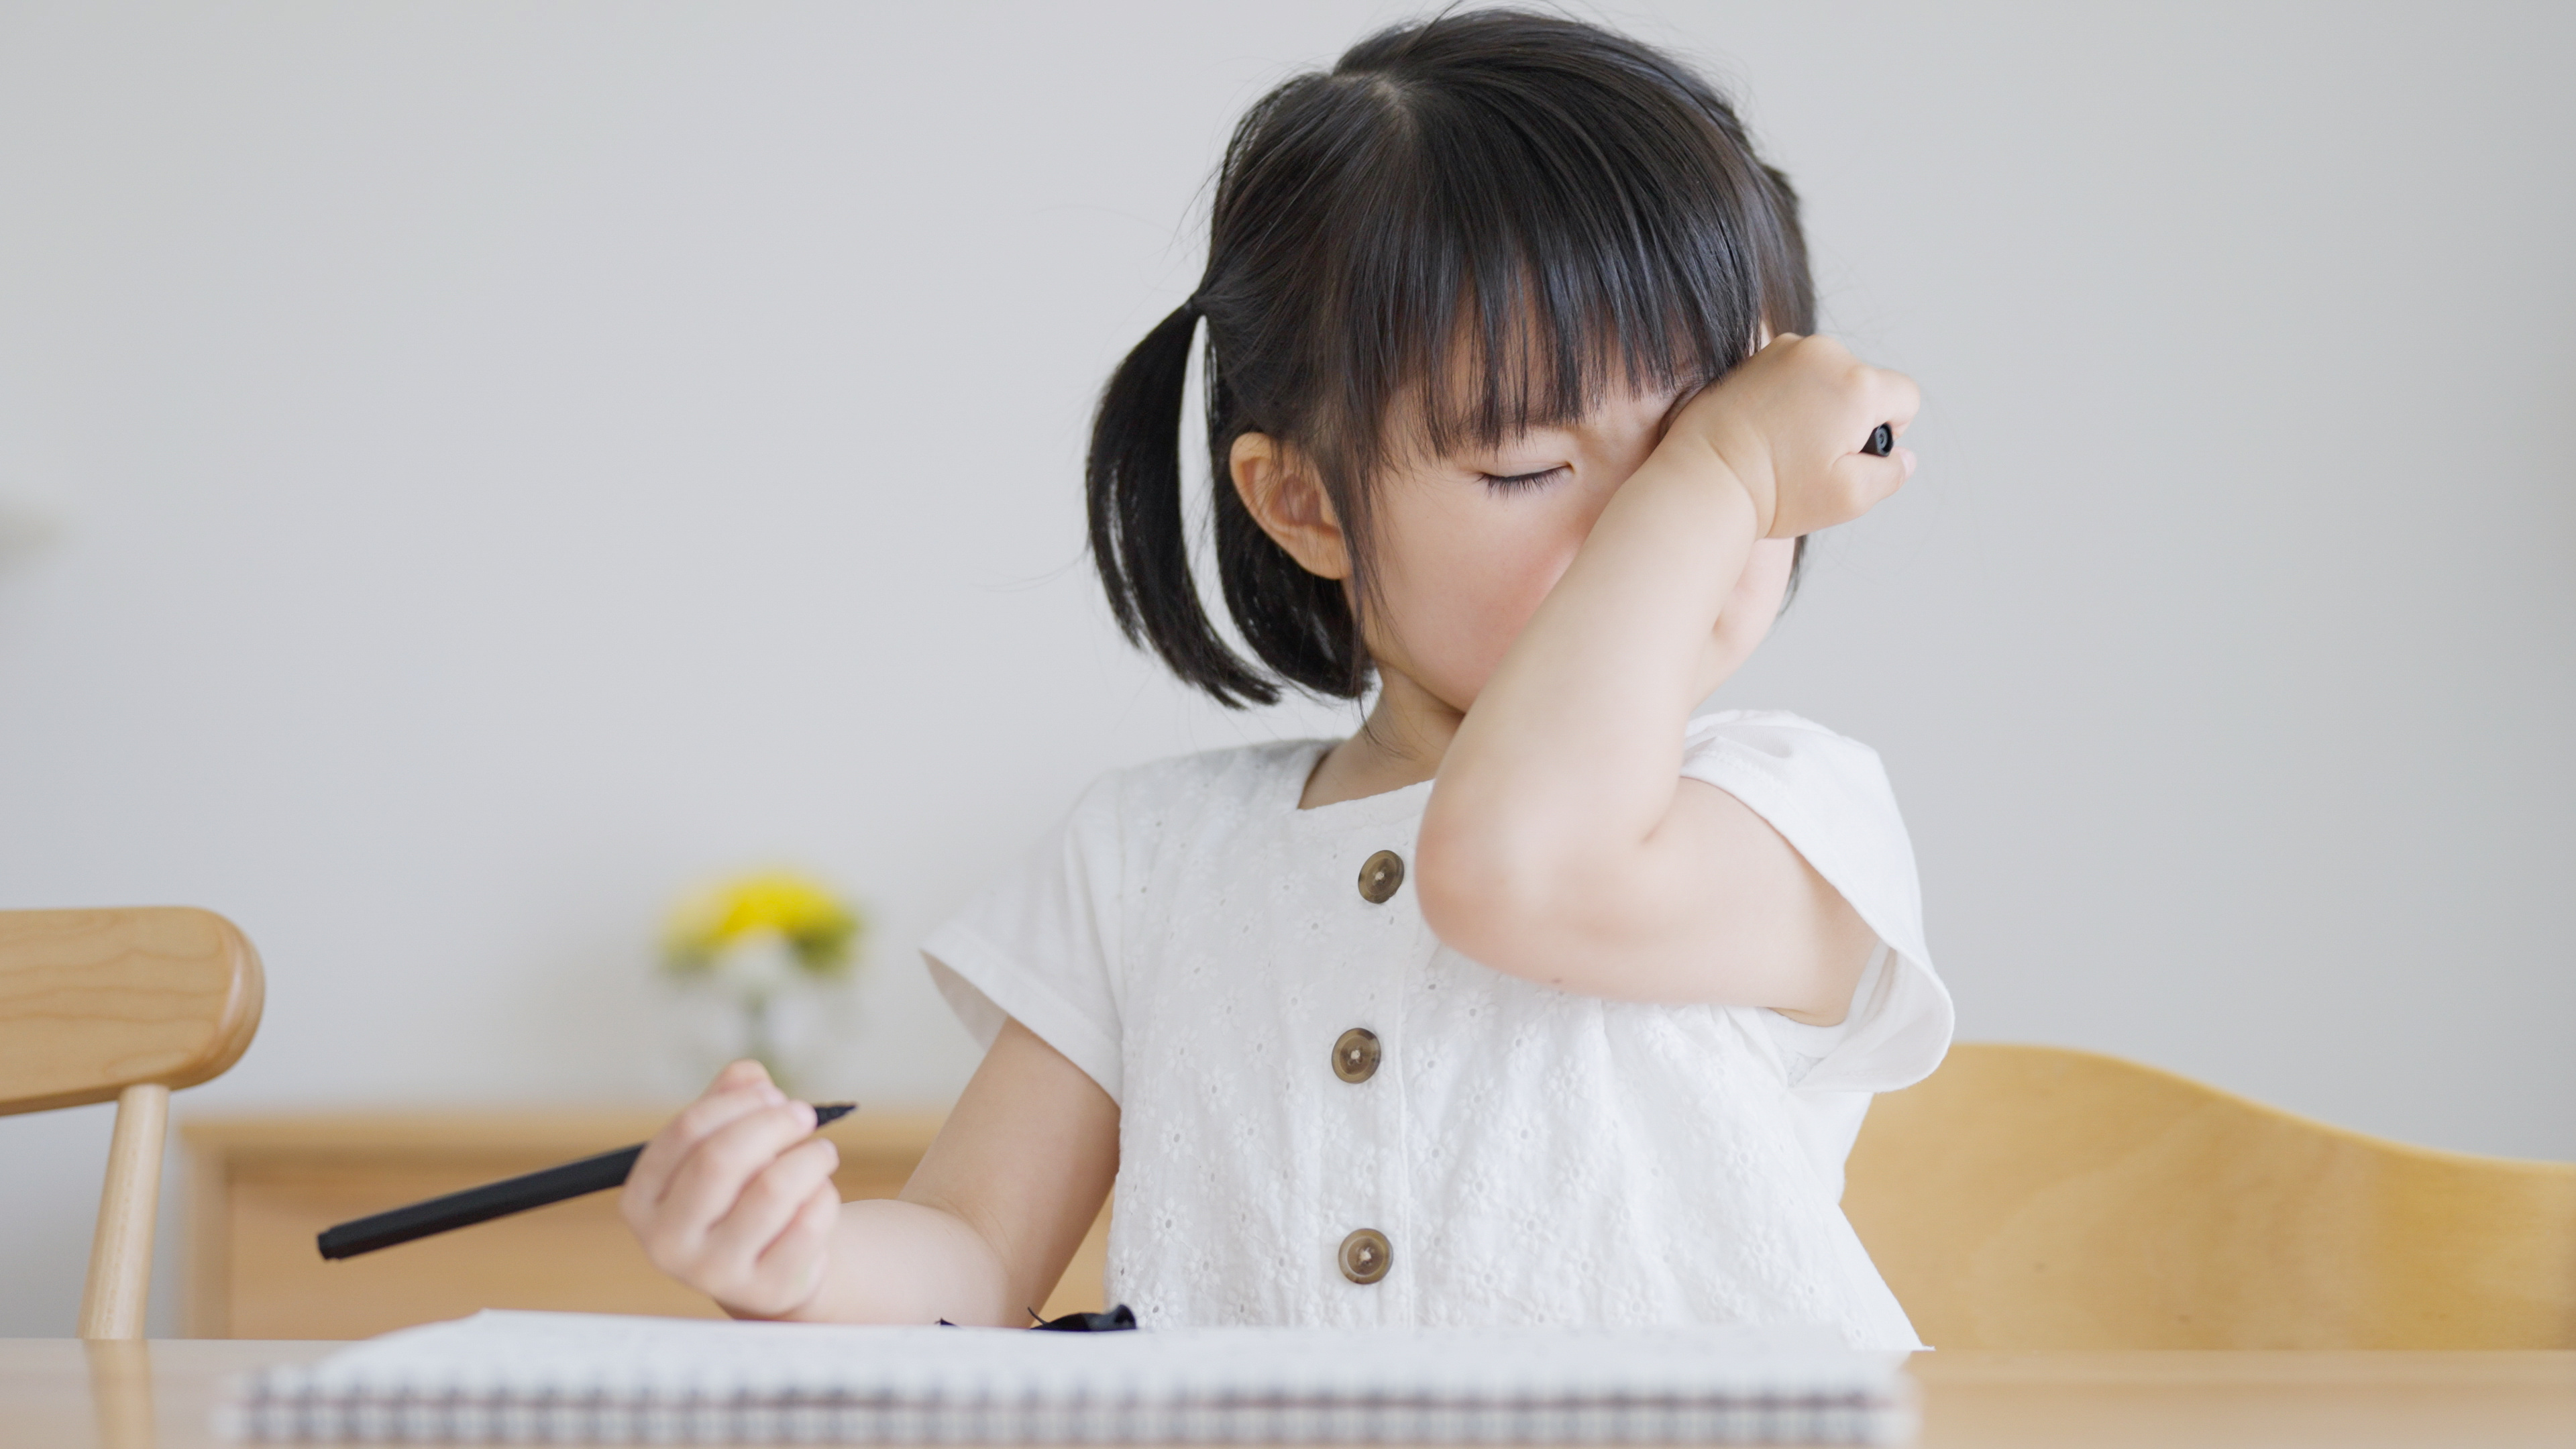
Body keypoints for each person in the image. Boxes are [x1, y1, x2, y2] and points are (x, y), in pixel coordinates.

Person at [621, 7, 1949, 1348]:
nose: (1643, 526)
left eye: (1701, 448)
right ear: (1306, 504)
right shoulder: (1147, 859)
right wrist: (800, 1262)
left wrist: (1722, 485)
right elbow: (971, 1258)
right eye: (1526, 469)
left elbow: (1526, 868)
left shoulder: (1794, 819)